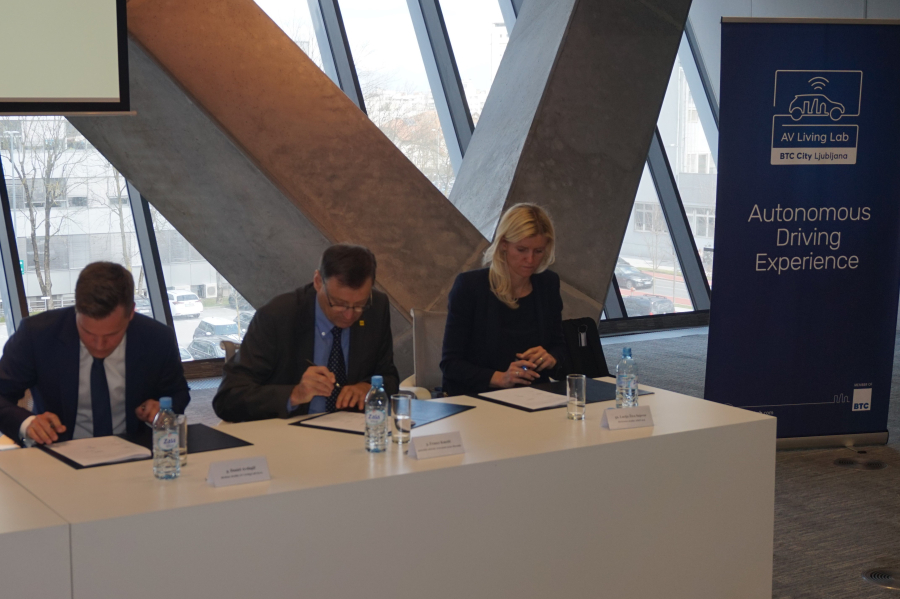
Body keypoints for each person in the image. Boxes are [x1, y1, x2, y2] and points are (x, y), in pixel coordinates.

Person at [0, 262, 190, 445]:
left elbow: (177, 393)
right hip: (56, 451)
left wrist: (161, 409)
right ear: (76, 310)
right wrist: (27, 423)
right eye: (88, 333)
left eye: (112, 334)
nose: (99, 345)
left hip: (135, 450)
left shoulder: (157, 338)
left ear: (131, 312)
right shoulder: (37, 335)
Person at [213, 244, 400, 422]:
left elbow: (389, 377)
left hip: (353, 433)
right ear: (318, 282)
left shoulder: (377, 308)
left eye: (359, 305)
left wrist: (368, 388)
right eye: (338, 304)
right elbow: (228, 398)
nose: (349, 315)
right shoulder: (277, 317)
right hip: (287, 435)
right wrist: (294, 394)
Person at [441, 203, 567, 396]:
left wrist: (551, 358)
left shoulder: (548, 284)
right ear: (503, 245)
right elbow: (450, 364)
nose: (530, 260)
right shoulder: (470, 286)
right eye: (522, 250)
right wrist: (500, 378)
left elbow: (560, 347)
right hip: (480, 398)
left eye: (538, 251)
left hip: (536, 396)